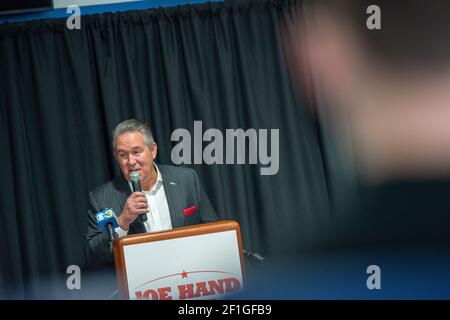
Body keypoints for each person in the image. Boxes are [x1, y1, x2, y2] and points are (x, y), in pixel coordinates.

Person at [85, 119, 219, 268]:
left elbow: (213, 229)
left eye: (136, 152)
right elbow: (92, 256)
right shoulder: (101, 198)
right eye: (123, 155)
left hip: (189, 273)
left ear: (153, 150)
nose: (131, 161)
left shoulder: (187, 179)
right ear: (117, 158)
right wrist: (122, 222)